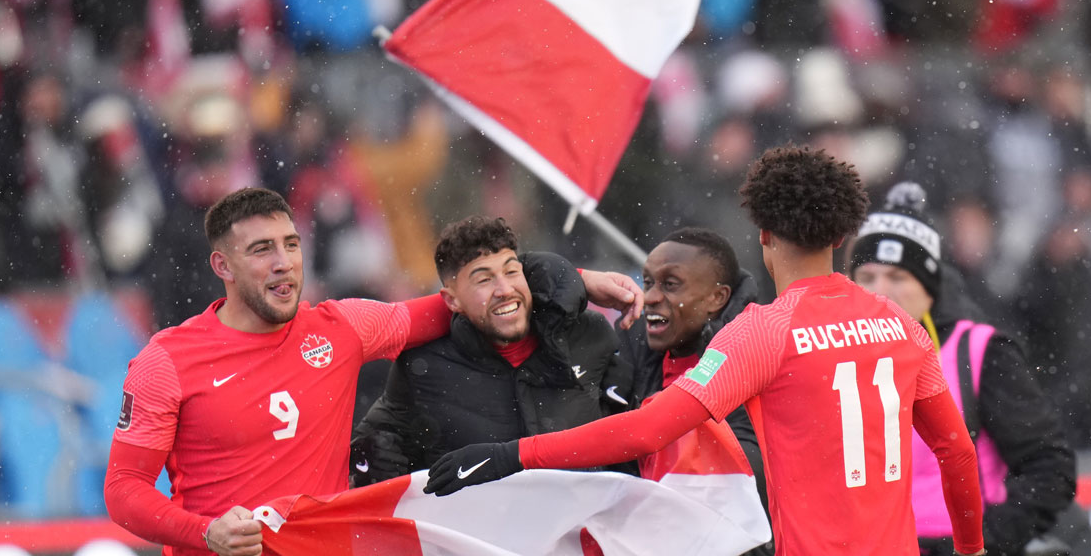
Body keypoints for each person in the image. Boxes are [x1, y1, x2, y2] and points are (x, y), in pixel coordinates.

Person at [424, 146, 987, 556]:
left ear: (763, 235)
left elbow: (648, 430)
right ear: (841, 238)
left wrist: (511, 455)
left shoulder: (764, 332)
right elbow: (956, 453)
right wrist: (971, 548)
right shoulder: (902, 327)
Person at [103, 187, 643, 556]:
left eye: (291, 245)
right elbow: (124, 491)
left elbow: (470, 295)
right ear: (222, 266)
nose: (284, 262)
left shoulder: (342, 328)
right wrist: (205, 533)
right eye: (262, 250)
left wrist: (574, 276)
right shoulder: (166, 363)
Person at [849, 182, 1077, 556]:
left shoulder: (979, 351)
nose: (881, 292)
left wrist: (985, 541)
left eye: (898, 277)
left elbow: (1049, 467)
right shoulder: (835, 355)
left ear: (928, 287)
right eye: (868, 277)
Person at [348, 216, 634, 484]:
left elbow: (635, 440)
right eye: (484, 280)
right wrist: (373, 455)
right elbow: (369, 449)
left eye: (512, 271)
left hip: (582, 532)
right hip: (479, 536)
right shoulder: (423, 368)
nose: (505, 289)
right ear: (451, 301)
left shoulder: (589, 335)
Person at [624, 226, 772, 555]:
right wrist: (579, 278)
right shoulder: (627, 356)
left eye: (670, 284)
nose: (650, 297)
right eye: (647, 282)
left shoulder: (756, 367)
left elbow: (747, 493)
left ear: (717, 298)